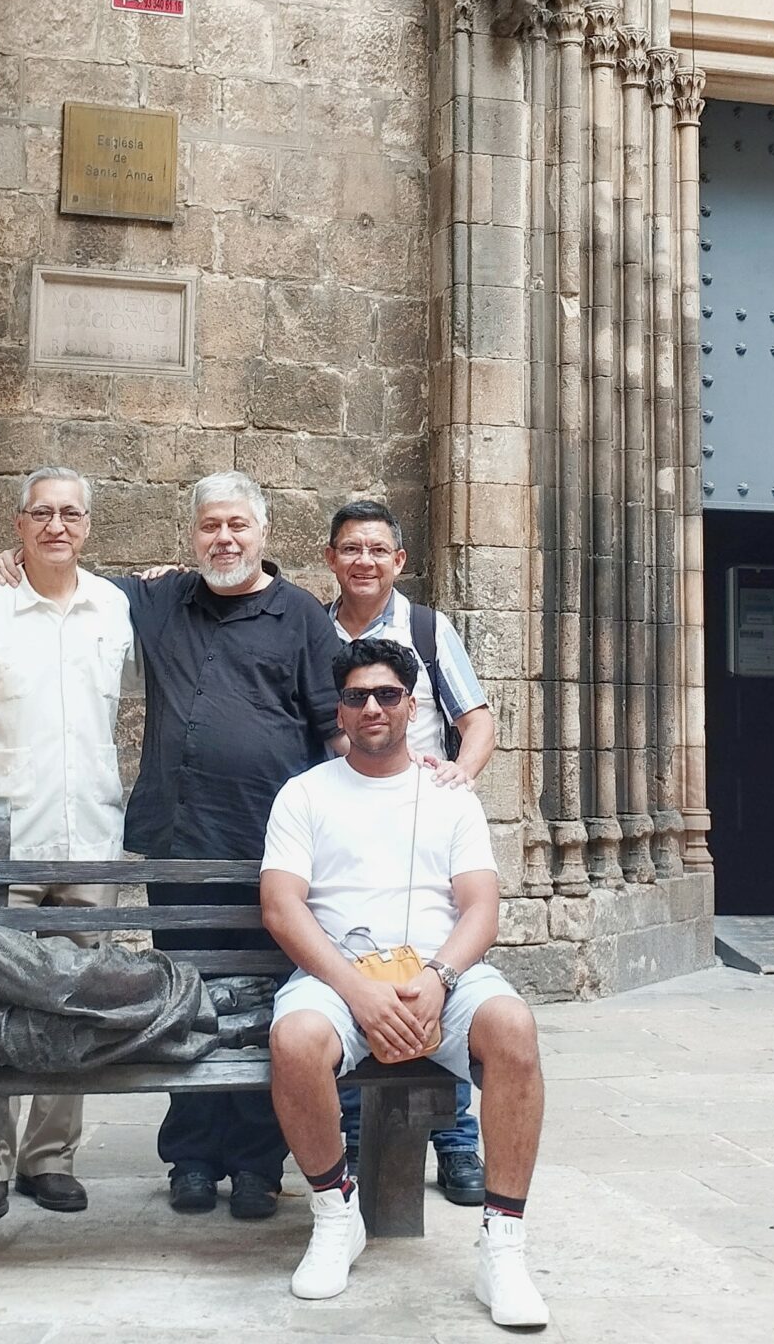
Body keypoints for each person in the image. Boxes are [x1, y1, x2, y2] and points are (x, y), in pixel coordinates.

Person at [262, 637, 550, 1330]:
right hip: (338, 979)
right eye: (358, 696)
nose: (372, 708)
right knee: (295, 1038)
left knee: (514, 1027)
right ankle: (336, 1214)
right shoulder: (305, 794)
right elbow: (281, 906)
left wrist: (440, 976)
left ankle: (503, 1247)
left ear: (411, 706)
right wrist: (356, 989)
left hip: (439, 975)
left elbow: (481, 906)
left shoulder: (449, 795)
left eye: (387, 695)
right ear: (341, 708)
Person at [123, 472, 344, 1220]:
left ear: (263, 533)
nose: (225, 538)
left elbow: (330, 725)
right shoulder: (159, 601)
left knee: (262, 1002)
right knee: (187, 993)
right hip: (179, 837)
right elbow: (67, 590)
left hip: (270, 844)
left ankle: (256, 1163)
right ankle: (191, 1155)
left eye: (238, 525)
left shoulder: (303, 616)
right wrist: (6, 565)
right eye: (211, 526)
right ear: (192, 536)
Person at [0, 466, 133, 1218]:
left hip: (90, 836)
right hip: (3, 837)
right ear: (17, 524)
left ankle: (50, 1158)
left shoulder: (113, 607)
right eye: (41, 513)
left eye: (71, 514)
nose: (57, 526)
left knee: (78, 1002)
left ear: (88, 526)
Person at [323, 497, 495, 1205]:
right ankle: (358, 1138)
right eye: (350, 549)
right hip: (350, 820)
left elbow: (475, 720)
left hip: (425, 824)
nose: (363, 561)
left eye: (377, 551)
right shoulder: (311, 626)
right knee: (361, 962)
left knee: (436, 972)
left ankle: (455, 1143)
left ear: (398, 561)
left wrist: (460, 779)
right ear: (331, 558)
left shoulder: (427, 628)